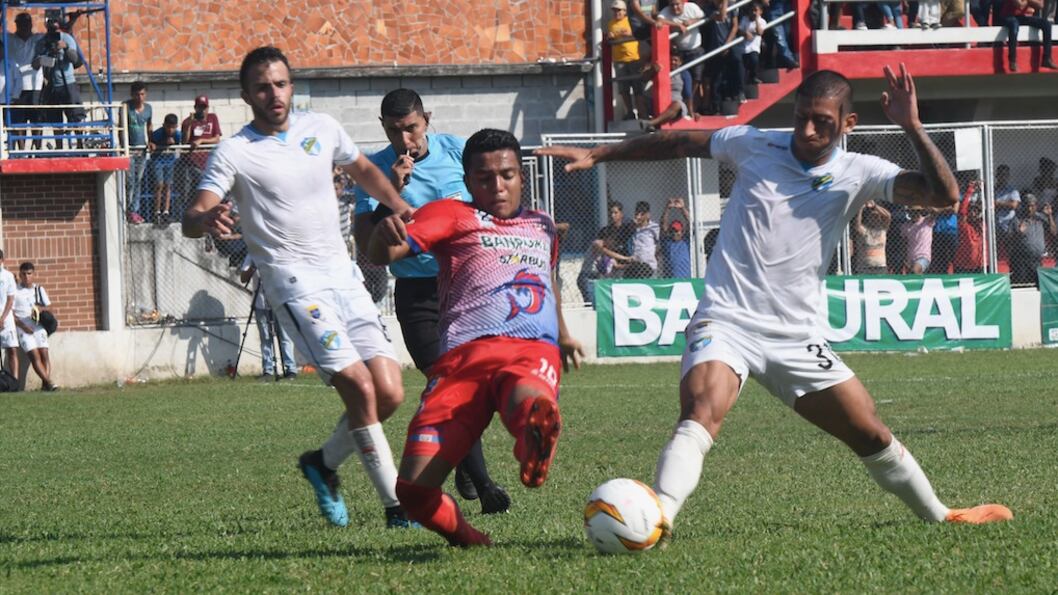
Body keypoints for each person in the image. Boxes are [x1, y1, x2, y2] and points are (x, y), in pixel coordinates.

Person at [538, 66, 1012, 540]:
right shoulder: (753, 144)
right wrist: (600, 153)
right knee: (702, 410)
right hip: (726, 320)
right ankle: (658, 518)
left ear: (848, 124)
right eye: (802, 116)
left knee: (869, 431)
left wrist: (912, 126)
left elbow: (944, 195)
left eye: (823, 122)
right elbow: (679, 142)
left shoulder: (860, 171)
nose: (807, 130)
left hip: (795, 337)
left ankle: (940, 513)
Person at [182, 46, 417, 529]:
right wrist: (205, 218)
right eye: (262, 87)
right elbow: (193, 214)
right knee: (359, 387)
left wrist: (398, 206)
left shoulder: (322, 127)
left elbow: (364, 170)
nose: (274, 94)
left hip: (343, 276)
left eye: (281, 84)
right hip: (294, 286)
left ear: (291, 86)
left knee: (390, 392)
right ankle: (397, 507)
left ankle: (322, 464)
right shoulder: (235, 151)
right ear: (246, 95)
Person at [367, 128, 585, 547]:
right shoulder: (450, 214)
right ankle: (470, 539)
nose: (497, 187)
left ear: (521, 176)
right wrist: (381, 238)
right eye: (485, 178)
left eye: (507, 175)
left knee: (527, 395)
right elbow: (385, 254)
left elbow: (547, 279)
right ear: (467, 181)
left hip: (528, 348)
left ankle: (533, 439)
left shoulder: (542, 225)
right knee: (412, 492)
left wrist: (563, 334)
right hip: (461, 359)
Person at [352, 88, 511, 514]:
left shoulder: (459, 151)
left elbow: (495, 199)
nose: (405, 139)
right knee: (448, 381)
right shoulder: (374, 171)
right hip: (417, 293)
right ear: (383, 128)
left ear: (427, 120)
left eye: (412, 128)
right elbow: (368, 245)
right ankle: (485, 485)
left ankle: (463, 459)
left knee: (477, 385)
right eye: (394, 131)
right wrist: (392, 191)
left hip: (467, 287)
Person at [239, 258, 297, 380]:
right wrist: (253, 267)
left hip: (279, 301)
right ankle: (268, 370)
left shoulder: (275, 253)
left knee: (285, 337)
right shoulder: (252, 255)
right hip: (260, 303)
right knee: (265, 338)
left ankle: (290, 369)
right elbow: (243, 278)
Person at [33, 15, 85, 149]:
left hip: (68, 83)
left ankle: (80, 146)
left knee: (75, 116)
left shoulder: (67, 38)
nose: (53, 33)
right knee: (55, 119)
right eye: (50, 29)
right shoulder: (42, 42)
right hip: (51, 84)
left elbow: (75, 60)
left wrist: (65, 47)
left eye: (55, 30)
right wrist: (41, 59)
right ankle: (59, 147)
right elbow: (34, 64)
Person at [577, 200, 636, 304]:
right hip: (587, 277)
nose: (613, 215)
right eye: (611, 213)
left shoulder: (609, 250)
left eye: (615, 212)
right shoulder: (598, 244)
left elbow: (615, 264)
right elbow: (606, 251)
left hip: (597, 277)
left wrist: (629, 265)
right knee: (592, 305)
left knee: (600, 304)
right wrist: (626, 258)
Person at [14, 262, 57, 391]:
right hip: (23, 327)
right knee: (34, 355)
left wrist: (40, 309)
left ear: (33, 274)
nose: (27, 277)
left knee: (44, 353)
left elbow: (50, 308)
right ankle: (49, 382)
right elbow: (12, 314)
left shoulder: (39, 289)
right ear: (20, 275)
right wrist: (23, 326)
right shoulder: (15, 291)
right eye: (24, 274)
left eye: (29, 274)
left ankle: (46, 384)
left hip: (38, 326)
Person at [7, 13, 44, 151]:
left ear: (31, 24)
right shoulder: (9, 38)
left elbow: (57, 36)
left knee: (37, 120)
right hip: (17, 88)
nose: (24, 26)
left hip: (36, 86)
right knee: (18, 121)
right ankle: (21, 151)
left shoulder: (38, 38)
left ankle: (37, 151)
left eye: (26, 23)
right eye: (21, 23)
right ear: (17, 25)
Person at [609, 0, 649, 120]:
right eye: (614, 10)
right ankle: (630, 113)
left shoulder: (630, 21)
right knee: (623, 89)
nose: (616, 13)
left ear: (625, 11)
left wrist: (629, 34)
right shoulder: (611, 23)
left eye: (619, 10)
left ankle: (642, 113)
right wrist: (610, 37)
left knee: (637, 88)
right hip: (619, 60)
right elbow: (610, 38)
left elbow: (638, 33)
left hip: (633, 58)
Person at [124, 81, 154, 224]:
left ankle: (134, 210)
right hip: (129, 149)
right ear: (132, 95)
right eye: (137, 94)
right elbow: (122, 126)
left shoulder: (148, 109)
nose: (140, 97)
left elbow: (149, 126)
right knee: (129, 181)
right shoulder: (126, 107)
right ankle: (127, 209)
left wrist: (151, 141)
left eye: (142, 94)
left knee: (138, 180)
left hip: (141, 150)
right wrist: (124, 146)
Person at [1011, 194, 1056, 286]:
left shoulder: (1041, 218)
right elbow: (1009, 240)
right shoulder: (1017, 219)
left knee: (1038, 284)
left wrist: (1049, 216)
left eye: (1032, 206)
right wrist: (1018, 233)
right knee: (1022, 285)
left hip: (1037, 260)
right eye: (1027, 206)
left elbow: (1054, 232)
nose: (1029, 209)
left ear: (1036, 206)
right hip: (1022, 260)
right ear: (1023, 206)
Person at [1001, 0, 1057, 72]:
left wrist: (1027, 1)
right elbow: (1020, 5)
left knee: (1046, 24)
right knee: (1014, 25)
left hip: (1022, 16)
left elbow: (1040, 5)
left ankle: (1047, 59)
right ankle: (1012, 60)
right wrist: (1031, 1)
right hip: (1008, 16)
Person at [150, 114, 182, 224]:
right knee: (159, 184)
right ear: (164, 125)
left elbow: (181, 142)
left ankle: (166, 211)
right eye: (168, 127)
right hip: (158, 160)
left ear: (176, 126)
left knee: (168, 185)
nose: (170, 130)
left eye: (173, 127)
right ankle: (157, 211)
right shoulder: (158, 134)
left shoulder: (177, 135)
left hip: (170, 161)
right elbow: (151, 142)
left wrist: (174, 143)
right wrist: (155, 144)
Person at [953, 180, 984, 274]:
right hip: (962, 266)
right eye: (971, 211)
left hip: (978, 265)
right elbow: (962, 211)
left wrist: (983, 190)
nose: (973, 213)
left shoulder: (981, 226)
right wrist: (970, 191)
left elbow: (987, 209)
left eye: (976, 211)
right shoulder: (964, 226)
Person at [852, 200, 891, 275]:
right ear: (868, 218)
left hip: (881, 267)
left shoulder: (883, 230)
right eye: (872, 216)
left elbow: (888, 216)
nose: (875, 218)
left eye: (877, 216)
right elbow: (857, 224)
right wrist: (860, 209)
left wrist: (875, 206)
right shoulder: (865, 231)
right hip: (865, 268)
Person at [993, 164, 1021, 260]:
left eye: (1005, 175)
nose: (1003, 177)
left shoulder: (1012, 190)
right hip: (995, 225)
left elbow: (1014, 205)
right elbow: (989, 204)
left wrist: (997, 203)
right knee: (994, 252)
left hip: (1008, 225)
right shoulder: (992, 190)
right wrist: (1005, 204)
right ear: (997, 176)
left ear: (1008, 176)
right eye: (1000, 174)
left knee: (1011, 252)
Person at [627, 200, 661, 277]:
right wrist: (633, 225)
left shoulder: (654, 227)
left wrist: (655, 254)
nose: (638, 217)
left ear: (647, 215)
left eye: (641, 214)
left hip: (650, 266)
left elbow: (660, 243)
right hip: (636, 266)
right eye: (636, 214)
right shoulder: (632, 228)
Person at [660, 197, 692, 277]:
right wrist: (667, 209)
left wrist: (682, 208)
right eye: (673, 230)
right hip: (670, 279)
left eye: (677, 230)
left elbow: (690, 223)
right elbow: (663, 224)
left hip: (685, 278)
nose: (675, 233)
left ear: (682, 231)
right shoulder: (667, 242)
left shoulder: (685, 241)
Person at [0, 251, 19, 381]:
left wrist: (2, 318)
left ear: (2, 260)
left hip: (6, 319)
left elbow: (10, 299)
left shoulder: (8, 276)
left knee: (12, 349)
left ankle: (14, 382)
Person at [900, 207, 934, 274]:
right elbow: (903, 243)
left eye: (916, 211)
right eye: (911, 211)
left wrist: (924, 208)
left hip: (923, 256)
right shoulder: (905, 225)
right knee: (913, 276)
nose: (913, 213)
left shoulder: (927, 221)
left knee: (915, 270)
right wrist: (904, 258)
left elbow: (935, 212)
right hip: (910, 257)